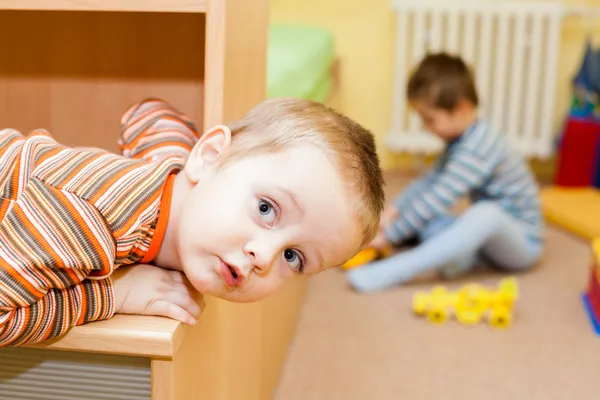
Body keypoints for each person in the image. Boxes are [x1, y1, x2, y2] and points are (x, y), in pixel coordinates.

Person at [0, 97, 385, 347]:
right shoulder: (87, 220)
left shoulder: (181, 170)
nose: (264, 256)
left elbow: (148, 113)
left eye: (294, 257)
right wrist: (116, 295)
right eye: (266, 209)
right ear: (209, 154)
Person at [347, 52, 544, 292]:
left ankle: (395, 270)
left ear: (461, 109)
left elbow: (436, 199)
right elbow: (429, 182)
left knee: (484, 213)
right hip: (487, 240)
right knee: (435, 222)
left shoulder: (480, 147)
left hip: (521, 244)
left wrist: (390, 237)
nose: (426, 127)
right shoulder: (461, 140)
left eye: (430, 120)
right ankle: (460, 255)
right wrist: (393, 212)